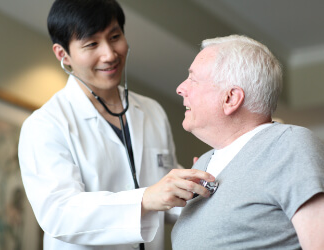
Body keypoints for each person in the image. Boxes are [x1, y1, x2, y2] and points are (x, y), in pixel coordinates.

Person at [17, 1, 215, 250]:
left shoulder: (152, 111)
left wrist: (192, 190)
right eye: (91, 44)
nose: (110, 54)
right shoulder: (45, 125)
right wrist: (144, 199)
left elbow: (163, 195)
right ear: (63, 54)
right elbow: (60, 215)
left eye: (115, 36)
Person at [171, 34, 324, 249]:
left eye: (193, 80)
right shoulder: (203, 163)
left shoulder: (290, 145)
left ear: (230, 99)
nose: (180, 88)